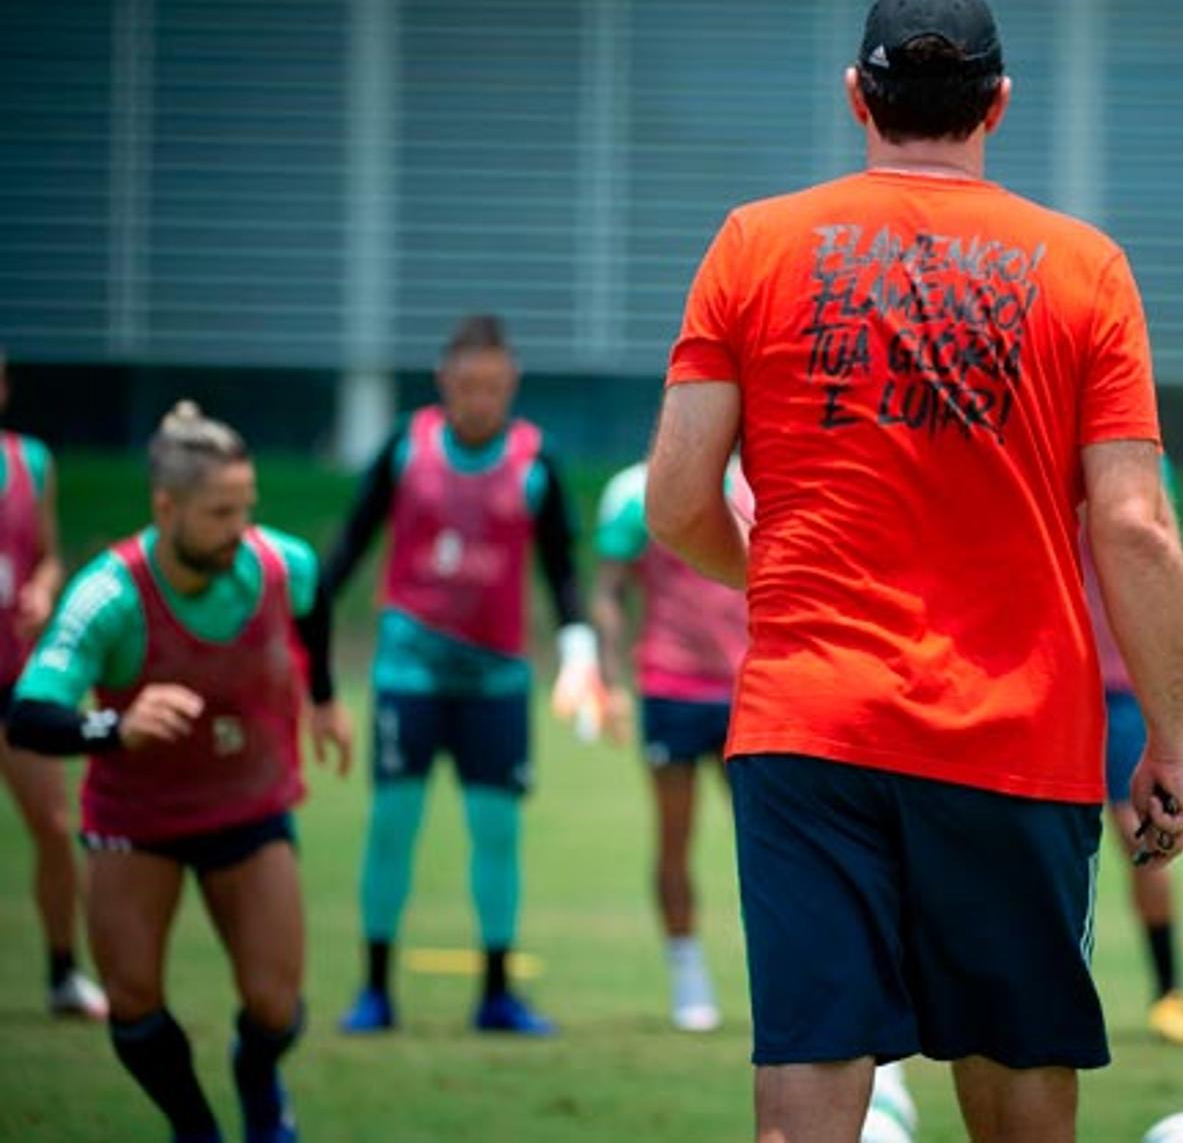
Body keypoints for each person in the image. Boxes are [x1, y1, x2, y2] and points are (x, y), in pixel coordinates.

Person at [646, 0, 1183, 1143]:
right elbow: (1135, 523)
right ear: (1000, 104)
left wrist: (783, 582)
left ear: (858, 94)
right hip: (1016, 738)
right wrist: (1173, 738)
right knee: (1018, 1097)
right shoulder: (1086, 268)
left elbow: (678, 499)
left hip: (809, 729)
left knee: (808, 1086)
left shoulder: (753, 246)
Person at [5, 402, 350, 1143]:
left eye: (247, 507)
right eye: (221, 512)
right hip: (138, 822)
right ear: (166, 507)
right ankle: (194, 1129)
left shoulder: (278, 564)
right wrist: (115, 727)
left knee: (275, 1006)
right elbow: (29, 715)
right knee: (131, 1002)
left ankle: (256, 1076)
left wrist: (323, 700)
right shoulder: (109, 595)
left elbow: (315, 599)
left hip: (250, 806)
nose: (241, 529)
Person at [328, 315, 601, 1037]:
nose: (480, 398)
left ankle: (496, 996)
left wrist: (581, 653)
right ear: (445, 382)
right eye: (468, 384)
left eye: (494, 385)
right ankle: (376, 992)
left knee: (497, 837)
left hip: (497, 684)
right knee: (391, 829)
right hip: (408, 674)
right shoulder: (404, 450)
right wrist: (306, 635)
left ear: (510, 384)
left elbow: (563, 571)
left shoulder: (535, 463)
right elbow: (350, 544)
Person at [590, 455, 752, 1032]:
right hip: (671, 685)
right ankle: (688, 974)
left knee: (770, 848)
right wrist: (606, 675)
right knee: (674, 840)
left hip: (751, 688)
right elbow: (608, 591)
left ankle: (774, 977)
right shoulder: (634, 491)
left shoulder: (763, 479)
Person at [0, 352, 107, 1019]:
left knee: (52, 823)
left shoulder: (30, 463)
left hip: (17, 678)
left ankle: (64, 971)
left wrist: (42, 589)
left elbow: (46, 556)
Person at [1082, 453, 1183, 1047]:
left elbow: (1156, 552)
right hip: (1037, 677)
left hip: (1117, 683)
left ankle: (1170, 990)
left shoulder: (1138, 460)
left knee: (1140, 833)